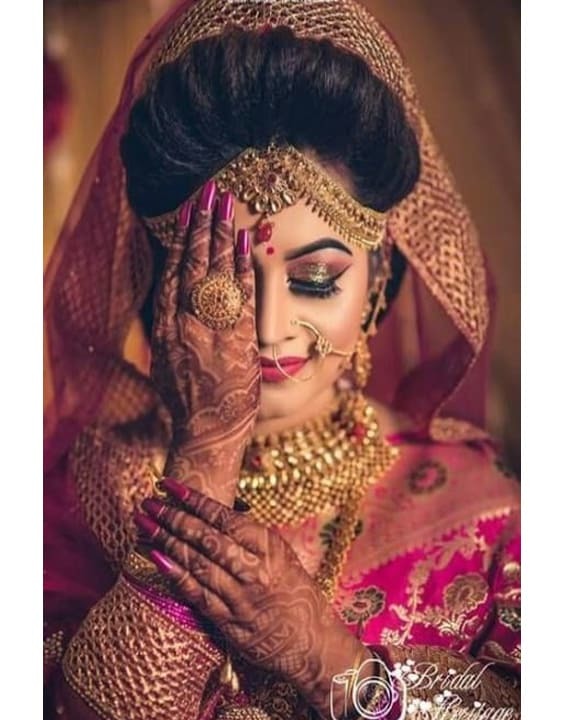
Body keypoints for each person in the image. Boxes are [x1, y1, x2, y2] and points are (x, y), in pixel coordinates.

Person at [43, 1, 520, 718]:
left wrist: (326, 658)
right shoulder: (84, 496)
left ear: (379, 275)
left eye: (316, 280)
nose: (267, 328)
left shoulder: (489, 506)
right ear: (161, 281)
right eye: (219, 284)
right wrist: (204, 459)